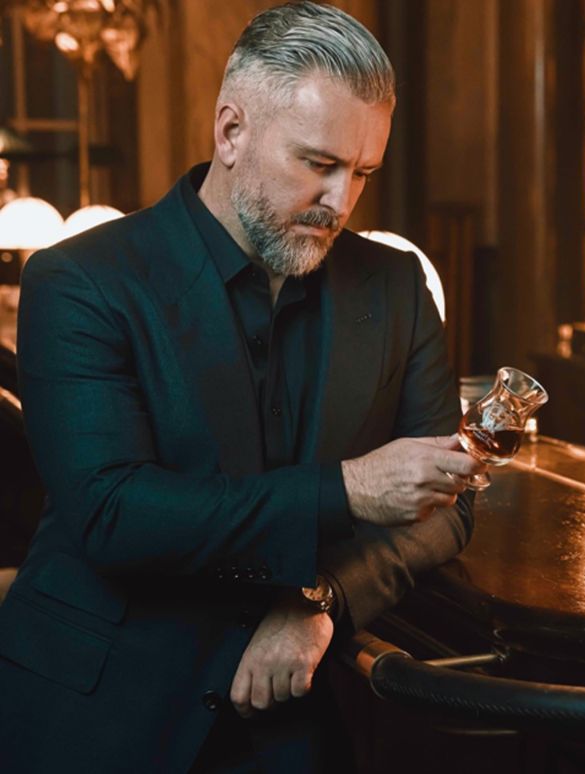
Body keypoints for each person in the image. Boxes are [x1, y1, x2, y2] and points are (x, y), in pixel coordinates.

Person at [0, 3, 484, 771]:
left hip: (294, 717)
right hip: (98, 707)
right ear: (231, 132)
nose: (341, 201)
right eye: (317, 163)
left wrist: (321, 598)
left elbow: (448, 507)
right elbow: (114, 514)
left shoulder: (396, 285)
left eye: (362, 173)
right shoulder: (79, 280)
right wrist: (348, 490)